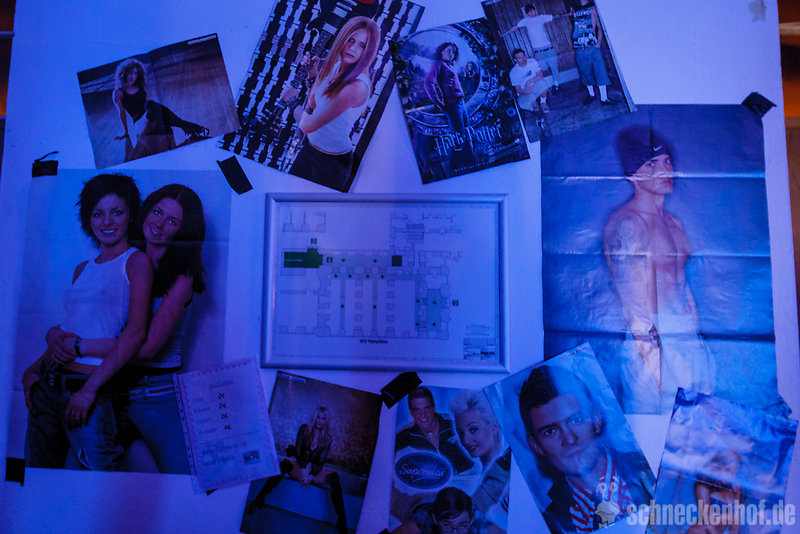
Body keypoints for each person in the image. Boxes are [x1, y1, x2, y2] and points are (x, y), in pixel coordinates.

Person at [46, 184, 208, 474]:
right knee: (77, 473)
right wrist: (54, 336)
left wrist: (79, 345)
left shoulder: (181, 277)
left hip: (153, 393)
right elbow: (87, 318)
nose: (159, 223)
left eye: (172, 221)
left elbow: (146, 348)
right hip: (109, 384)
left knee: (183, 480)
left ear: (184, 231)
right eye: (157, 212)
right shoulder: (124, 259)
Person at [22, 174, 152, 471]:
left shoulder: (135, 262)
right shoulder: (82, 268)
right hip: (49, 385)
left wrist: (89, 390)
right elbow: (71, 329)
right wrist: (32, 370)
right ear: (88, 219)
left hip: (90, 389)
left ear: (131, 214)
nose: (107, 222)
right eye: (98, 213)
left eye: (116, 212)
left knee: (98, 479)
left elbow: (135, 335)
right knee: (40, 476)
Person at [603, 125, 716, 412]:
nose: (665, 169)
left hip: (687, 340)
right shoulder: (627, 224)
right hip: (652, 348)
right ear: (633, 174)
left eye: (667, 160)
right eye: (652, 163)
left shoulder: (674, 223)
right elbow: (634, 307)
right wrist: (657, 370)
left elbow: (682, 285)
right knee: (653, 432)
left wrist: (697, 344)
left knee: (697, 430)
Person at [518, 364, 654, 533]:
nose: (569, 439)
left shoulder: (650, 468)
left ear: (596, 419)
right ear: (536, 446)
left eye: (575, 420)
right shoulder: (548, 523)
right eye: (550, 432)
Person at [289, 16, 379, 190]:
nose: (353, 48)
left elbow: (308, 125)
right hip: (309, 149)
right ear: (342, 38)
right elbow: (315, 105)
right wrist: (313, 75)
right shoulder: (338, 66)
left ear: (368, 51)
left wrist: (291, 102)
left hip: (332, 164)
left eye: (362, 45)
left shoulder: (357, 87)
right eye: (351, 40)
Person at [247, 407, 349, 534]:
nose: (320, 421)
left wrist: (310, 475)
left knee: (334, 477)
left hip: (314, 472)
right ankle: (259, 499)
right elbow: (299, 452)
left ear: (326, 421)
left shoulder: (327, 438)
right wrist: (305, 470)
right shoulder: (304, 429)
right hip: (300, 467)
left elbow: (321, 462)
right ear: (314, 418)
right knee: (284, 464)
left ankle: (342, 521)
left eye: (323, 418)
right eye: (318, 417)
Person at [113, 58, 209, 162]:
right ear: (124, 73)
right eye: (130, 73)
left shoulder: (140, 88)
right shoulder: (119, 93)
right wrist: (126, 131)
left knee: (154, 108)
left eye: (135, 73)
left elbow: (151, 108)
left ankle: (189, 133)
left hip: (150, 116)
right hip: (140, 124)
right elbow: (122, 113)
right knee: (151, 104)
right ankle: (189, 127)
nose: (132, 76)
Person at [395, 387, 475, 474]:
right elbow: (387, 457)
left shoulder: (453, 422)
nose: (423, 415)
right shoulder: (405, 434)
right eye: (417, 410)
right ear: (411, 412)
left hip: (469, 476)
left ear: (433, 408)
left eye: (426, 408)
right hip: (436, 481)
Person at [423, 42, 474, 166]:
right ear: (441, 51)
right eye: (449, 50)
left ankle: (471, 160)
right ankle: (459, 164)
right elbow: (428, 82)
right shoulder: (439, 64)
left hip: (461, 103)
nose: (452, 54)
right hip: (453, 105)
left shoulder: (448, 65)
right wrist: (438, 101)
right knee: (459, 135)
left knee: (467, 132)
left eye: (454, 52)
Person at [501, 3, 564, 91]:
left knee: (554, 68)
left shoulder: (541, 17)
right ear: (527, 14)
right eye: (529, 12)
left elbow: (555, 16)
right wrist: (504, 34)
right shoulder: (526, 21)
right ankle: (540, 86)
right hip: (538, 52)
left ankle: (556, 85)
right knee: (541, 68)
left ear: (535, 10)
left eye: (532, 11)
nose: (531, 13)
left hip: (549, 48)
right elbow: (515, 27)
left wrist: (568, 13)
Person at [687, 450, 744, 534]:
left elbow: (736, 525)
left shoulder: (736, 490)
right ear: (719, 467)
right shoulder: (703, 485)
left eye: (735, 473)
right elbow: (707, 521)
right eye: (728, 470)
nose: (731, 477)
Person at [571, 0, 612, 105]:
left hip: (593, 46)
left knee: (600, 71)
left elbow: (600, 26)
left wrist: (598, 43)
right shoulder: (574, 9)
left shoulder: (593, 7)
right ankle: (591, 94)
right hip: (579, 47)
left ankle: (604, 98)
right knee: (585, 72)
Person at [509, 48, 552, 113]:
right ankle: (534, 103)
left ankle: (543, 103)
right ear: (515, 60)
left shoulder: (532, 61)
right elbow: (518, 89)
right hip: (525, 91)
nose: (523, 59)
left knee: (543, 83)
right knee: (522, 104)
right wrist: (526, 92)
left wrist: (529, 82)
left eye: (524, 56)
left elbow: (540, 75)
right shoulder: (513, 72)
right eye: (520, 58)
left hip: (536, 85)